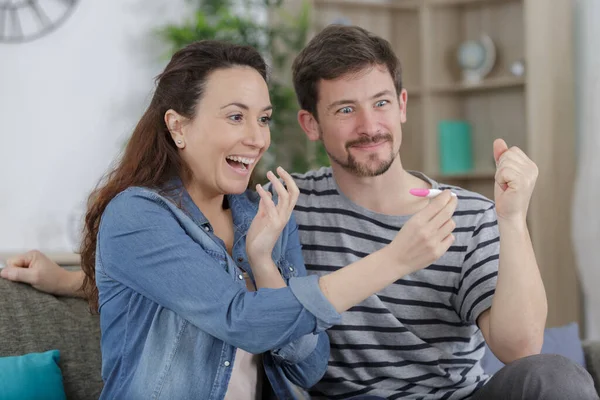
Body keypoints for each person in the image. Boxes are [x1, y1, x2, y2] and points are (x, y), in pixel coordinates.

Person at [2, 26, 597, 400]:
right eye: (345, 110)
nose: (369, 126)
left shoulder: (461, 213)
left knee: (556, 378)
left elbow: (520, 345)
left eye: (381, 103)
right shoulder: (285, 204)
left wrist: (512, 219)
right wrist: (71, 279)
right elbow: (213, 298)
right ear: (312, 124)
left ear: (404, 106)